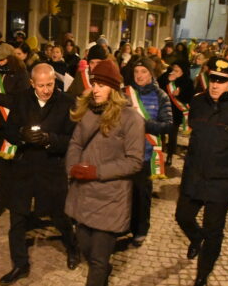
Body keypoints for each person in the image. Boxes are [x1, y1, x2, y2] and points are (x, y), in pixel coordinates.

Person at [176, 58, 228, 286]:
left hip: (222, 181)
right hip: (195, 175)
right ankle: (196, 239)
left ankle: (203, 274)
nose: (215, 85)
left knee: (214, 231)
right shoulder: (198, 102)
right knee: (182, 217)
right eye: (213, 79)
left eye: (222, 81)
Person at [65, 59, 145, 286]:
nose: (95, 89)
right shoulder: (87, 112)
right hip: (83, 194)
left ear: (114, 88)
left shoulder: (131, 119)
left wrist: (96, 171)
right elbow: (75, 143)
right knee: (86, 249)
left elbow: (134, 161)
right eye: (94, 83)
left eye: (101, 85)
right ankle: (104, 269)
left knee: (98, 261)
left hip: (111, 198)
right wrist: (72, 168)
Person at [0, 64, 80, 285]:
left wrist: (49, 139)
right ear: (32, 83)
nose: (46, 90)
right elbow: (8, 130)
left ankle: (73, 248)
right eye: (41, 85)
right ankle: (20, 264)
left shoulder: (66, 103)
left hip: (51, 168)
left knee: (60, 215)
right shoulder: (22, 99)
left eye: (50, 84)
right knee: (17, 218)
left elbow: (73, 140)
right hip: (24, 167)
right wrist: (21, 135)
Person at [125, 58, 173, 247]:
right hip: (127, 153)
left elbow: (168, 125)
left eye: (143, 72)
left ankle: (141, 229)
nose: (139, 76)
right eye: (136, 72)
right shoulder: (127, 93)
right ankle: (125, 226)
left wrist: (144, 125)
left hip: (147, 153)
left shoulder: (160, 95)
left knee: (142, 195)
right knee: (126, 193)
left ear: (151, 73)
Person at [0, 43, 30, 218]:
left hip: (13, 125)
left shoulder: (21, 74)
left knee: (14, 164)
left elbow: (21, 100)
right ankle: (1, 200)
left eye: (3, 60)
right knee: (2, 165)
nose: (0, 63)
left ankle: (16, 199)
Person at [158, 60, 194, 166]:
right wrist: (167, 80)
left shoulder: (187, 81)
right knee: (160, 133)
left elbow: (189, 98)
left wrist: (179, 95)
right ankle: (159, 154)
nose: (175, 69)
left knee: (172, 134)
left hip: (176, 111)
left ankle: (169, 156)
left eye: (178, 67)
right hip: (163, 109)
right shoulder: (166, 76)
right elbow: (157, 86)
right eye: (174, 67)